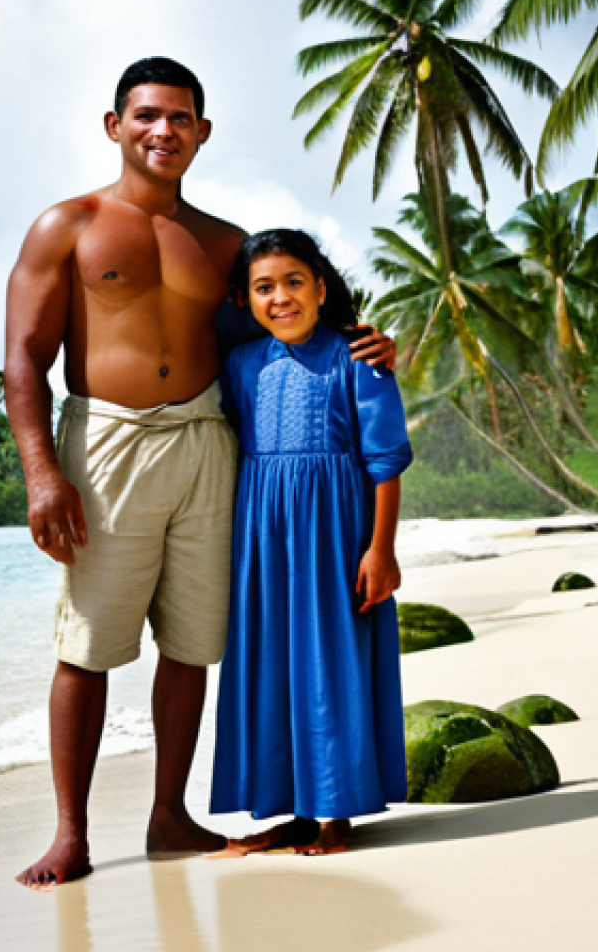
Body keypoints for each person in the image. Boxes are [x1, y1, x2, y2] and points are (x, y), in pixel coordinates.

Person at [4, 58, 396, 889]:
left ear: (202, 132)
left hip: (209, 442)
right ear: (114, 126)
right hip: (106, 443)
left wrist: (372, 344)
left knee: (191, 642)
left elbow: (288, 323)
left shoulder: (222, 244)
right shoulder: (65, 227)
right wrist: (43, 473)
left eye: (180, 118)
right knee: (88, 644)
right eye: (146, 116)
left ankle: (168, 816)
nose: (163, 131)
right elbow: (24, 360)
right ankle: (70, 832)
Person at [208, 229, 412, 857]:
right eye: (263, 288)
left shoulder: (358, 359)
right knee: (271, 665)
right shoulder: (242, 365)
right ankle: (289, 810)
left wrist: (382, 550)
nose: (281, 298)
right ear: (245, 299)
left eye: (295, 283)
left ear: (322, 289)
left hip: (335, 537)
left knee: (332, 663)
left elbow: (386, 461)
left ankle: (335, 813)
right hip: (264, 541)